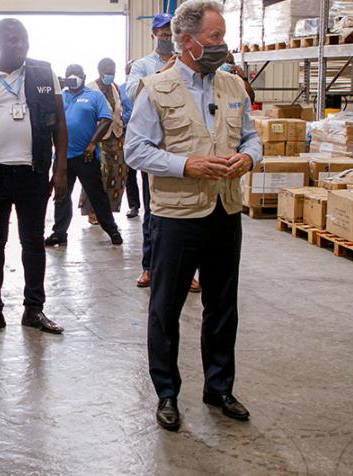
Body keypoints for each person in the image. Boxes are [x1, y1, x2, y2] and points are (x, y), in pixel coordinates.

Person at [125, 0, 263, 431]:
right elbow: (135, 150)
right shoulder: (156, 87)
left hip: (225, 209)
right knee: (166, 308)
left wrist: (247, 159)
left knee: (223, 304)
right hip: (177, 216)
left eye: (223, 37)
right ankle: (167, 392)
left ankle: (219, 387)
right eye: (215, 37)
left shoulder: (233, 87)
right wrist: (187, 165)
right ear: (187, 42)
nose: (223, 46)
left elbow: (252, 138)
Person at [0, 18, 68, 337]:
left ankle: (34, 310)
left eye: (22, 40)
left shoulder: (44, 73)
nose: (18, 45)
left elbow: (60, 124)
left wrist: (60, 169)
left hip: (33, 172)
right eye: (11, 40)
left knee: (33, 242)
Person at [127, 12, 202, 293]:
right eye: (162, 33)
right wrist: (161, 75)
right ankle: (149, 267)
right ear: (153, 35)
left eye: (171, 33)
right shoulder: (143, 66)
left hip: (187, 149)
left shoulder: (192, 63)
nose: (167, 38)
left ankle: (189, 272)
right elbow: (130, 93)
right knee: (153, 212)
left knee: (192, 213)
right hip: (155, 152)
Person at [46, 64, 123, 246]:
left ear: (84, 76)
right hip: (63, 157)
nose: (73, 77)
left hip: (86, 156)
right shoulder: (60, 97)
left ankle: (112, 230)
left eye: (77, 74)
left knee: (97, 195)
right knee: (62, 195)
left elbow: (106, 119)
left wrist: (92, 143)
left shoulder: (94, 96)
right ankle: (59, 233)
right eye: (69, 74)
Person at [79, 58, 128, 223]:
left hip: (116, 136)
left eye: (113, 72)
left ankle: (107, 211)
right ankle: (93, 211)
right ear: (99, 70)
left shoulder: (115, 87)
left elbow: (118, 111)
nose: (111, 75)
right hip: (98, 137)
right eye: (107, 71)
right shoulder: (90, 88)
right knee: (99, 174)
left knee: (118, 174)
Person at [121, 60, 140, 219]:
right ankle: (134, 205)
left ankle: (151, 204)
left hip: (146, 131)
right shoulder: (121, 89)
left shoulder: (147, 86)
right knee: (130, 172)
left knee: (149, 173)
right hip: (127, 133)